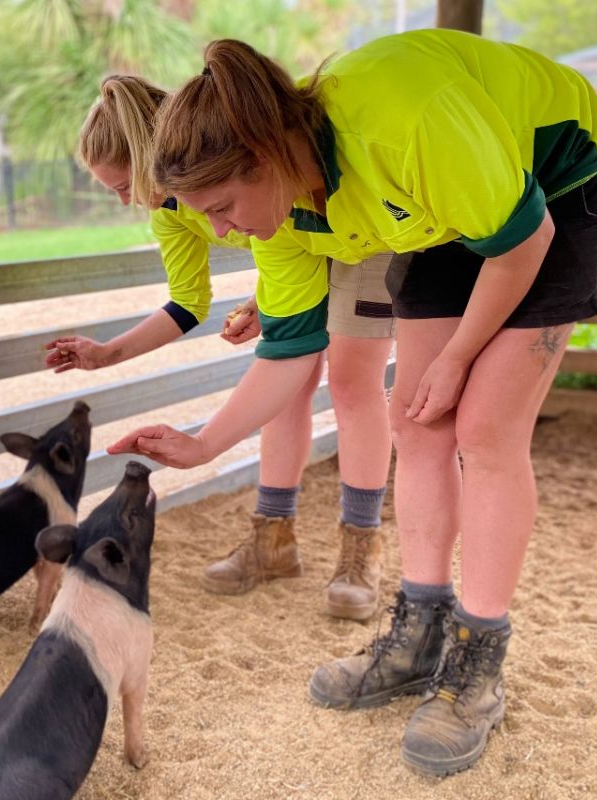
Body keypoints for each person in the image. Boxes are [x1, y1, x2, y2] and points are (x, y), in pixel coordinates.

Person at [108, 30, 597, 776]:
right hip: (443, 207)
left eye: (220, 206)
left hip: (550, 192)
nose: (218, 231)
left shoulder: (405, 121)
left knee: (483, 431)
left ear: (268, 152)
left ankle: (478, 662)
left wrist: (456, 356)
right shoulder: (282, 215)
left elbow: (521, 239)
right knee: (417, 423)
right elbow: (288, 352)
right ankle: (417, 635)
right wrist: (201, 445)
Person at [51, 75, 394, 617]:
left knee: (352, 379)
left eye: (122, 185)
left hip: (363, 229)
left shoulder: (236, 182)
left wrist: (205, 442)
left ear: (149, 162)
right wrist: (105, 353)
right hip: (296, 243)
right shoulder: (170, 209)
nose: (123, 201)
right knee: (285, 389)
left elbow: (284, 248)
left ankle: (361, 549)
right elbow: (188, 302)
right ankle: (273, 540)